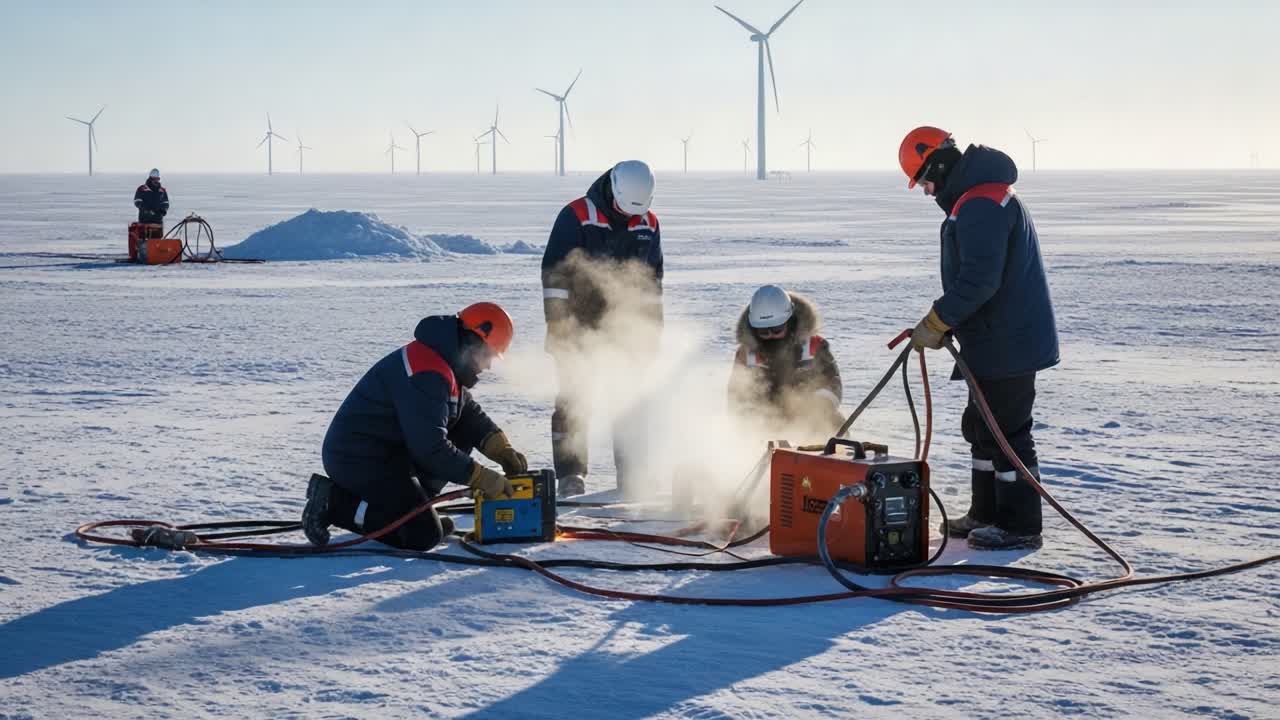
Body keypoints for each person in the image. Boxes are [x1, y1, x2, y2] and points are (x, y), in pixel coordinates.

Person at [899, 125, 1059, 550]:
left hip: (1008, 341)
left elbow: (979, 281)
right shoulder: (979, 197)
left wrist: (937, 321)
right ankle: (986, 513)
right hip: (991, 339)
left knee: (1007, 432)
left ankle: (1021, 526)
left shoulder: (981, 204)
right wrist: (945, 322)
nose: (928, 191)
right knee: (982, 428)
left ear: (938, 163)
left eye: (925, 180)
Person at [302, 302, 530, 550]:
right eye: (487, 355)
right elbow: (430, 449)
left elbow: (467, 415)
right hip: (357, 457)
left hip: (388, 452)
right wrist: (481, 477)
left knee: (462, 433)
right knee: (422, 536)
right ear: (471, 342)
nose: (487, 366)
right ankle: (334, 503)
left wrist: (500, 447)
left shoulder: (443, 362)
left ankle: (416, 512)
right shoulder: (427, 372)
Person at [541, 160, 663, 498]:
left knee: (628, 401)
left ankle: (633, 473)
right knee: (574, 402)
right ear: (614, 190)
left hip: (624, 329)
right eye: (624, 210)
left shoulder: (648, 222)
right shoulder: (577, 215)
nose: (629, 218)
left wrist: (651, 332)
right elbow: (555, 276)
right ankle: (570, 474)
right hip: (576, 326)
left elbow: (652, 284)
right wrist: (559, 326)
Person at [727, 285, 844, 437]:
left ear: (790, 322)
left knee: (834, 423)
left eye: (776, 330)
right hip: (765, 429)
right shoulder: (746, 355)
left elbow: (832, 384)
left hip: (811, 424)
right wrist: (753, 419)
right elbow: (737, 398)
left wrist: (817, 407)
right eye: (763, 332)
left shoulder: (814, 346)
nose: (770, 336)